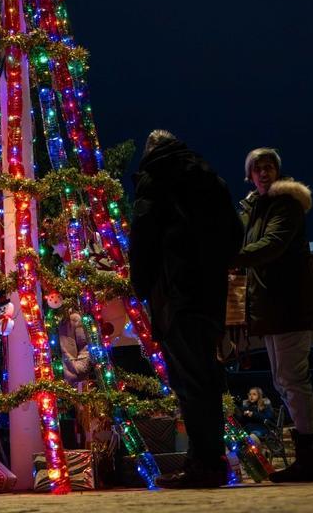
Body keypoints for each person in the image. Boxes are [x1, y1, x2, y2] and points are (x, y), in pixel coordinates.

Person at [129, 130, 243, 488]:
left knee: (190, 382)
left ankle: (204, 466)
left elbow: (143, 236)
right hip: (209, 294)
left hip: (176, 294)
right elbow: (234, 234)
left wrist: (143, 285)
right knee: (205, 378)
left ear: (150, 152)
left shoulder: (155, 179)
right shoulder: (210, 180)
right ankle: (209, 461)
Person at [232, 148, 313, 483]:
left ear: (278, 171)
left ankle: (312, 458)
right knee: (283, 381)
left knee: (293, 380)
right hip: (272, 308)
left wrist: (232, 258)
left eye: (269, 167)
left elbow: (273, 245)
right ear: (249, 175)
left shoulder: (285, 205)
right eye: (257, 168)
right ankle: (312, 456)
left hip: (289, 305)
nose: (263, 172)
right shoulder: (254, 209)